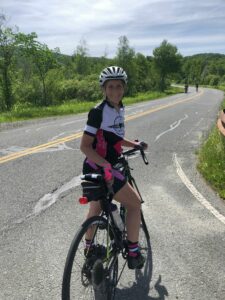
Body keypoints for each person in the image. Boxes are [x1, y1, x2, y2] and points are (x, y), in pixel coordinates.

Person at [80, 66, 148, 269]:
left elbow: (114, 138)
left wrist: (133, 144)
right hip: (102, 168)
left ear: (124, 87)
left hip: (95, 168)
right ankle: (134, 252)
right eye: (110, 87)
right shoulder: (98, 112)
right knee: (135, 204)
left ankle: (89, 247)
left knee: (96, 206)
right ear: (104, 89)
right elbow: (84, 146)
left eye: (119, 86)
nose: (115, 91)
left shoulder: (119, 108)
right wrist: (107, 164)